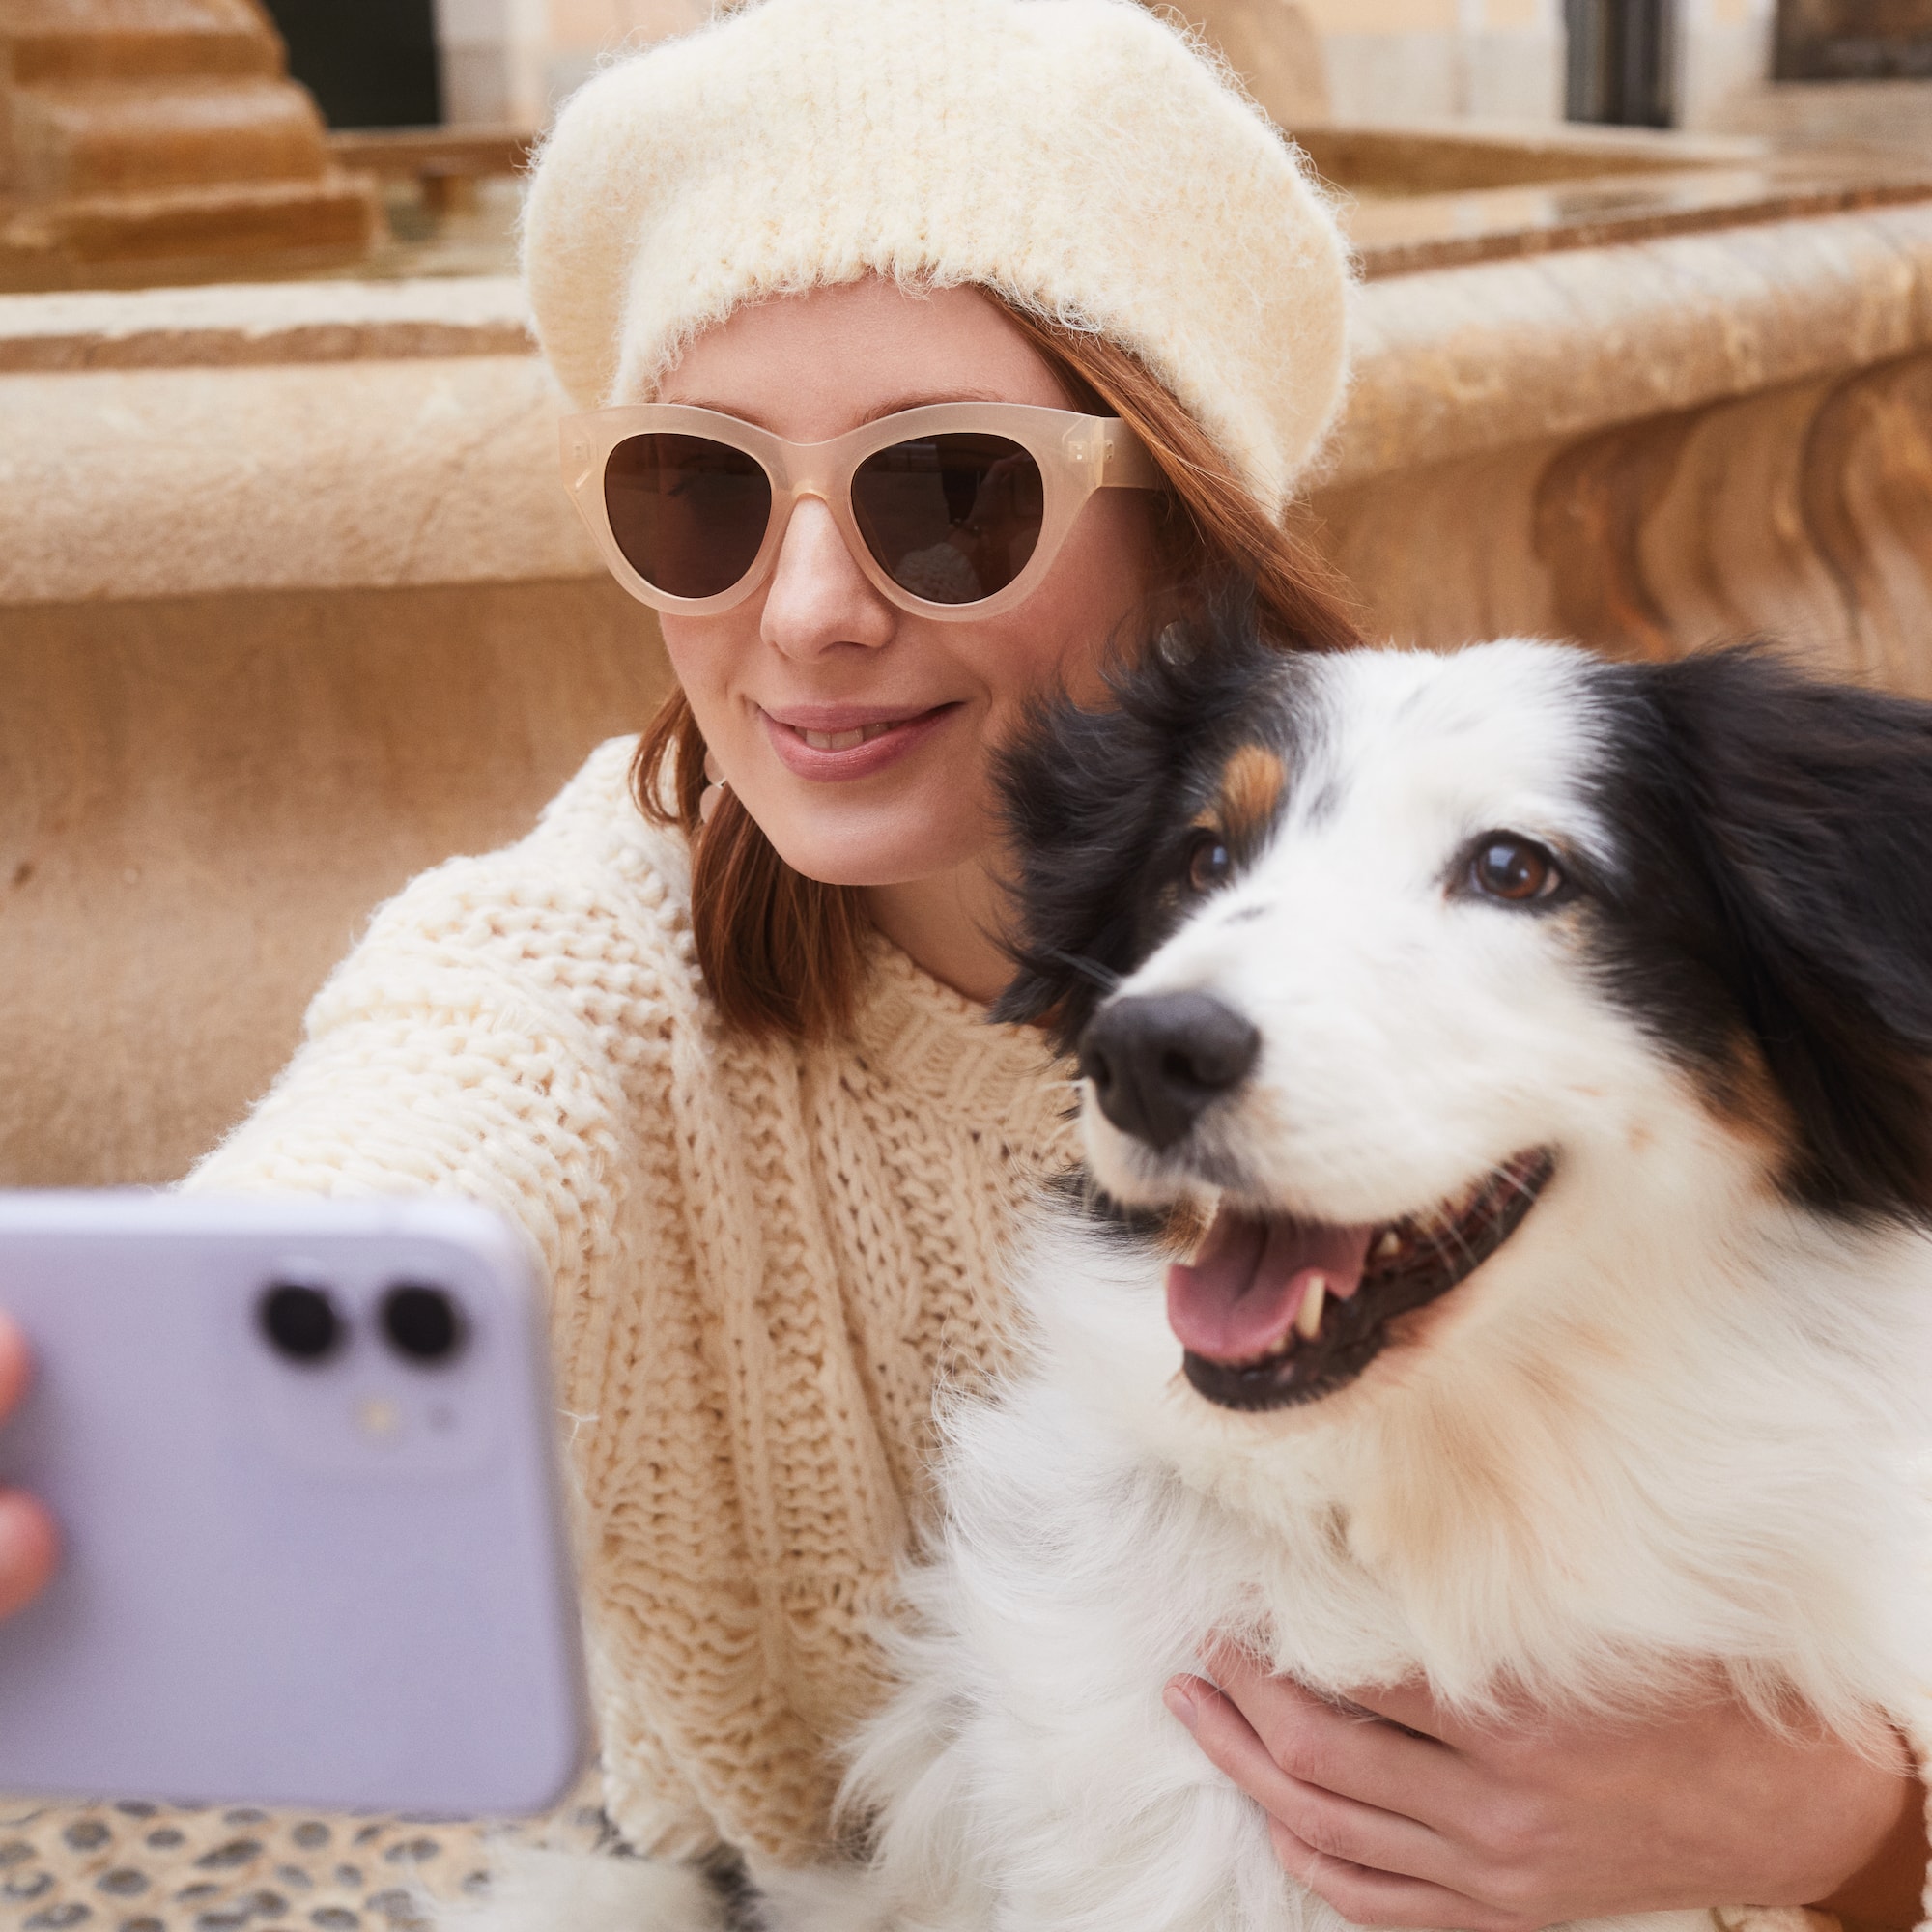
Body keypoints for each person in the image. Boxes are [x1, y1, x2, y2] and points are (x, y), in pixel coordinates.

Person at [1, 0, 1924, 1922]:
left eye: (948, 493)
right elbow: (362, 1166)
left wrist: (1850, 1830)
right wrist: (80, 1402)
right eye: (705, 491)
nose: (813, 611)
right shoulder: (582, 970)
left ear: (1182, 533)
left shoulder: (1417, 846)